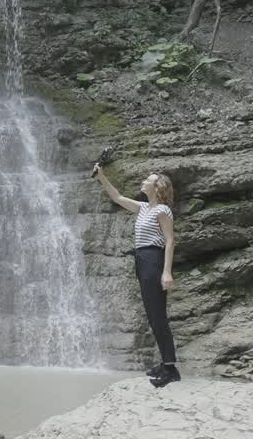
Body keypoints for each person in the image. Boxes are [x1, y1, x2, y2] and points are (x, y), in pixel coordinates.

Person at [92, 163, 181, 388]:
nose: (143, 182)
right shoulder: (143, 208)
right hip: (141, 259)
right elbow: (117, 197)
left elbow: (170, 240)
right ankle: (165, 363)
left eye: (147, 180)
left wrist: (167, 272)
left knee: (158, 315)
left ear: (157, 187)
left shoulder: (163, 210)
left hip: (154, 258)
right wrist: (101, 176)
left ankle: (171, 369)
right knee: (152, 315)